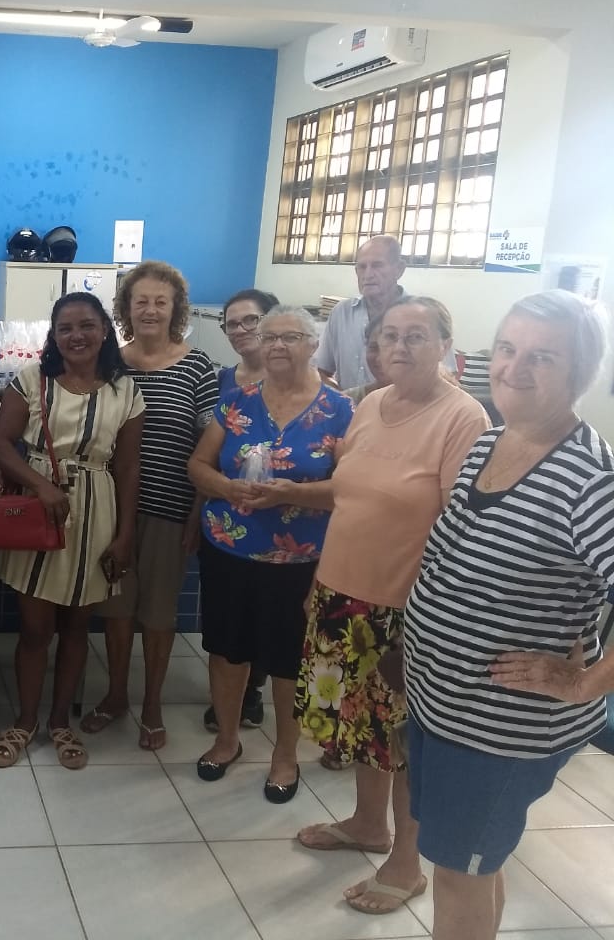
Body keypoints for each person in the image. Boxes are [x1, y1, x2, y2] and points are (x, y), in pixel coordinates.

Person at [402, 291, 613, 940]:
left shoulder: (589, 479)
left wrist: (583, 683)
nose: (514, 368)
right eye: (506, 348)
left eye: (541, 357)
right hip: (441, 704)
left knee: (458, 878)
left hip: (501, 732)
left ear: (580, 373)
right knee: (472, 864)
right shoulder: (491, 439)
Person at [294, 297, 488, 914]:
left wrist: (426, 621)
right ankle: (365, 825)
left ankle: (406, 864)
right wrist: (320, 580)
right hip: (341, 594)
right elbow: (353, 497)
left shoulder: (463, 418)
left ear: (445, 347)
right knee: (360, 727)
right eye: (388, 337)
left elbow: (464, 529)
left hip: (407, 612)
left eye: (416, 336)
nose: (398, 348)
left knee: (404, 741)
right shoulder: (372, 404)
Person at [187, 305, 353, 803]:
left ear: (313, 344)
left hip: (300, 562)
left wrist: (291, 494)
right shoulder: (237, 402)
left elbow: (347, 490)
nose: (278, 345)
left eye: (291, 337)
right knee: (227, 650)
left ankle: (285, 754)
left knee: (287, 661)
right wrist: (228, 487)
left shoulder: (340, 410)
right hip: (229, 549)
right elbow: (198, 465)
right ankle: (227, 739)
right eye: (270, 336)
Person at [0, 292, 145, 771]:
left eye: (87, 325)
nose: (77, 336)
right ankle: (24, 720)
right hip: (38, 513)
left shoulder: (126, 390)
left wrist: (124, 537)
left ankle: (61, 722)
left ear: (104, 330)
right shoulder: (31, 381)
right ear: (53, 336)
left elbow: (130, 467)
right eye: (65, 328)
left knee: (78, 627)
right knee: (35, 629)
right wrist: (40, 485)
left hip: (98, 513)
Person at [82, 261, 218, 750]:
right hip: (112, 509)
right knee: (116, 610)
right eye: (141, 301)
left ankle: (153, 703)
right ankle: (116, 695)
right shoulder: (110, 364)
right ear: (126, 308)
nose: (151, 310)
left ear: (176, 308)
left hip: (170, 507)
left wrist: (198, 510)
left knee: (159, 614)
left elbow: (210, 444)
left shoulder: (198, 366)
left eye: (161, 301)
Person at [203, 287, 282, 734]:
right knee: (229, 620)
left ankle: (256, 689)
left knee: (272, 619)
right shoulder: (224, 382)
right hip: (226, 520)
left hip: (287, 526)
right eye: (232, 323)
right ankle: (233, 698)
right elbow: (205, 456)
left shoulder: (311, 385)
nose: (240, 331)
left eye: (250, 321)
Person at [315, 236, 408, 389]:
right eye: (362, 267)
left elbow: (445, 379)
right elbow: (321, 372)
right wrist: (344, 401)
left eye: (377, 265)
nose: (368, 274)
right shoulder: (342, 313)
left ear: (399, 269)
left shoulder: (422, 316)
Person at [217, 288, 279, 396]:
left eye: (251, 319)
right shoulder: (223, 379)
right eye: (231, 324)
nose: (239, 331)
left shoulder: (292, 380)